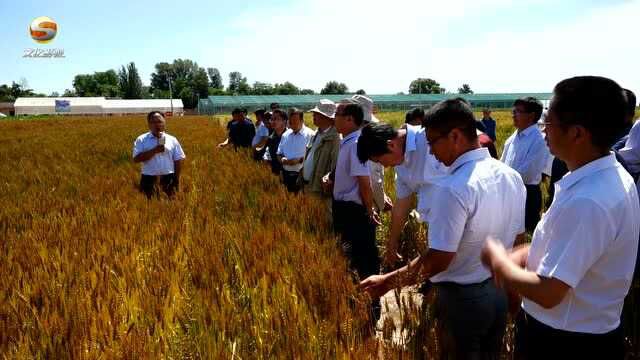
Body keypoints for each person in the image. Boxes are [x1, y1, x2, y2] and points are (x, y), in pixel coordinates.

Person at [482, 76, 640, 360]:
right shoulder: (604, 178)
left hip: (564, 342)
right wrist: (524, 254)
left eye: (548, 124)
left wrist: (499, 262)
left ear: (577, 133)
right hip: (585, 335)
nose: (544, 132)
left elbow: (549, 293)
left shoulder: (589, 200)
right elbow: (574, 248)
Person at [360, 99, 526, 358]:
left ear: (455, 136)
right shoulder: (510, 176)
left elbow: (439, 259)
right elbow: (517, 241)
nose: (432, 152)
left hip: (463, 301)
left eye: (433, 142)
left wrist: (387, 282)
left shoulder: (453, 188)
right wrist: (513, 295)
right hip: (497, 293)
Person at [356, 122, 447, 267]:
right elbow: (401, 206)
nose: (384, 166)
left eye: (380, 160)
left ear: (391, 145)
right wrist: (392, 243)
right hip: (439, 231)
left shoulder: (429, 139)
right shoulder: (400, 162)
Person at [332, 100, 381, 321]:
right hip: (345, 209)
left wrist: (369, 210)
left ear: (350, 119)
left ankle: (370, 311)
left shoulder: (355, 143)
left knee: (363, 260)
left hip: (354, 212)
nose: (334, 117)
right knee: (350, 259)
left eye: (337, 113)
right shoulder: (348, 142)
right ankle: (355, 304)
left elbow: (364, 181)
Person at [501, 97, 550, 232]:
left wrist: (502, 180)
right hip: (508, 190)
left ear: (531, 115)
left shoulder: (539, 140)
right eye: (514, 111)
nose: (513, 114)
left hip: (527, 193)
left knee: (526, 235)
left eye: (518, 111)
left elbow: (528, 173)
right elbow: (501, 164)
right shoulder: (512, 138)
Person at [351, 94, 391, 213]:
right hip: (366, 206)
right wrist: (382, 202)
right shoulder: (367, 140)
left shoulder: (349, 138)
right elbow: (373, 179)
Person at [133, 111, 186, 199]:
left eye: (159, 121)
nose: (157, 124)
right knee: (148, 208)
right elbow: (136, 159)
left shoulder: (172, 139)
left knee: (170, 208)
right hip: (148, 179)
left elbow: (178, 160)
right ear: (149, 124)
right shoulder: (141, 139)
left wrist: (176, 179)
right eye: (153, 122)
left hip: (168, 178)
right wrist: (155, 150)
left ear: (164, 122)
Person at [302, 99, 340, 199]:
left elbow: (335, 167)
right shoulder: (316, 133)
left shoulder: (335, 138)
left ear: (326, 117)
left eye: (316, 113)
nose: (313, 115)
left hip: (320, 191)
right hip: (308, 185)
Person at [277, 108, 315, 193]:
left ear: (302, 120)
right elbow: (279, 153)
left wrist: (298, 160)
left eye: (294, 120)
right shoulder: (285, 135)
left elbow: (314, 157)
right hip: (286, 174)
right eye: (290, 121)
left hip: (301, 176)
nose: (291, 123)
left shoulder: (311, 135)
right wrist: (283, 160)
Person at [263, 109, 287, 175]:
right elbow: (269, 154)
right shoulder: (271, 137)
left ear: (284, 121)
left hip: (287, 174)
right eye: (272, 119)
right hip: (274, 173)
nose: (273, 122)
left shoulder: (290, 136)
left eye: (276, 119)